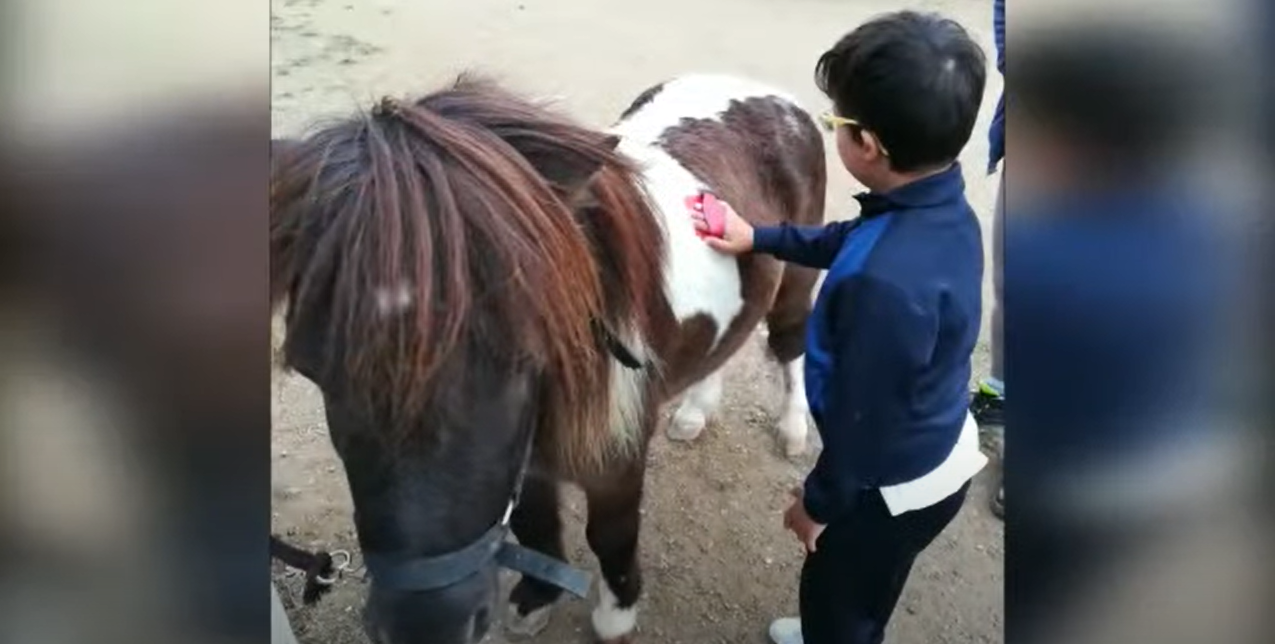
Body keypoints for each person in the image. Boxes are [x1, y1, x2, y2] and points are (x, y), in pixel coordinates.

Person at [691, 12, 988, 644]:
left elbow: (862, 423)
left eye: (837, 124)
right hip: (934, 443)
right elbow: (850, 237)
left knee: (838, 595)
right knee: (871, 586)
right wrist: (757, 236)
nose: (835, 134)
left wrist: (818, 506)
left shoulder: (882, 287)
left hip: (888, 488)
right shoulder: (936, 209)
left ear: (868, 146)